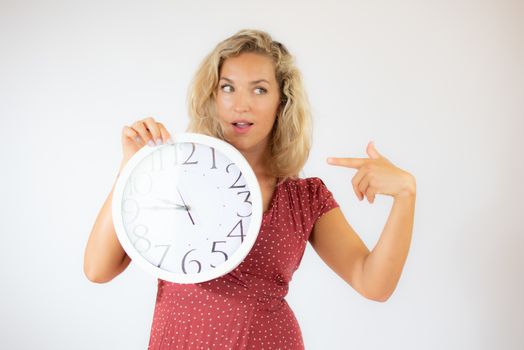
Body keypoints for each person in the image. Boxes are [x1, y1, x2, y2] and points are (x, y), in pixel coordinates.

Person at [84, 29, 417, 349]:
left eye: (259, 90)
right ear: (212, 96)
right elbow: (98, 270)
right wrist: (132, 169)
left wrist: (405, 195)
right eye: (228, 87)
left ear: (281, 102)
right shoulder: (173, 174)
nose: (240, 104)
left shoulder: (304, 197)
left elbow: (372, 283)